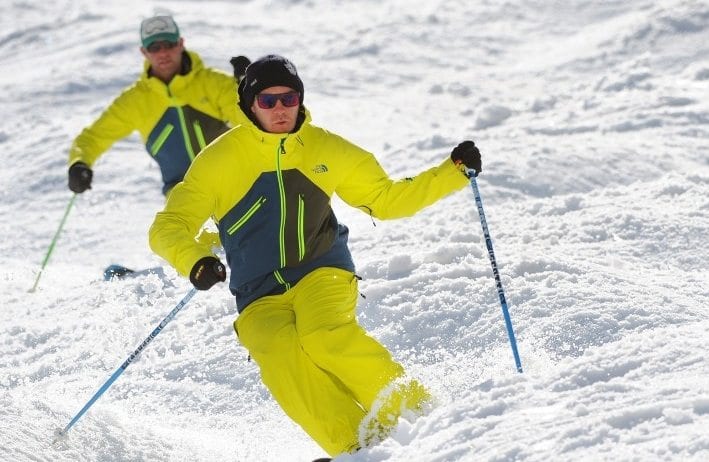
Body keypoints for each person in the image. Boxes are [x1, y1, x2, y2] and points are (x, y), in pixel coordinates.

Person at [148, 55, 482, 457]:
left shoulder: (325, 147)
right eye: (268, 101)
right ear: (249, 104)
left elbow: (386, 199)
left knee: (323, 336)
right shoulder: (221, 159)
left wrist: (452, 171)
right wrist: (196, 261)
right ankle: (357, 446)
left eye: (288, 98)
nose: (280, 110)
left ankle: (419, 413)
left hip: (322, 269)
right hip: (258, 292)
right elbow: (168, 226)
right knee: (277, 354)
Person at [67, 15, 247, 197]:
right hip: (182, 192)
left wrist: (249, 94)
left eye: (169, 44)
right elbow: (95, 136)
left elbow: (252, 122)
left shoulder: (213, 83)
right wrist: (79, 162)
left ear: (180, 44)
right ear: (144, 52)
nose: (163, 53)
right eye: (154, 47)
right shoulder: (135, 100)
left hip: (234, 180)